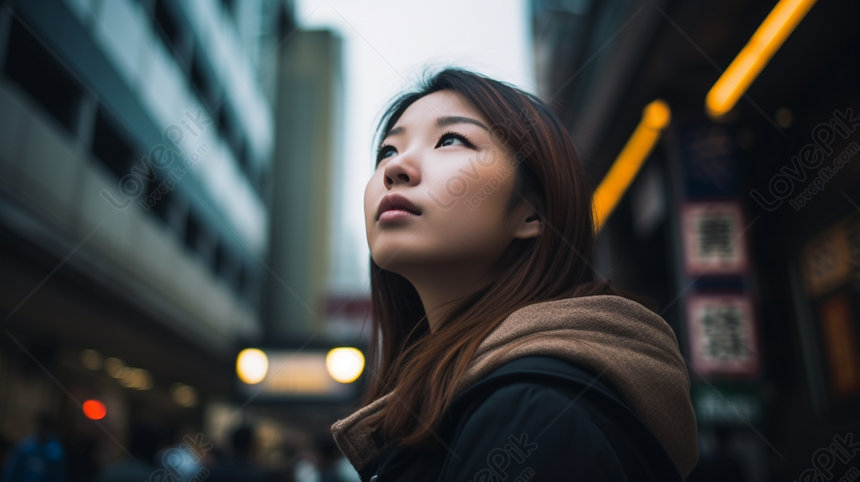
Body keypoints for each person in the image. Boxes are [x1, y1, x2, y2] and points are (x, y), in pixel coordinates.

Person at [330, 67, 699, 481]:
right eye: (388, 150)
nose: (396, 169)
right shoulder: (488, 400)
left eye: (451, 140)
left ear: (533, 213)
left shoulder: (533, 410)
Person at [1, 413, 65, 482]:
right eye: (41, 427)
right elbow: (13, 471)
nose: (42, 430)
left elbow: (57, 476)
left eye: (45, 428)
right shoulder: (25, 446)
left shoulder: (55, 452)